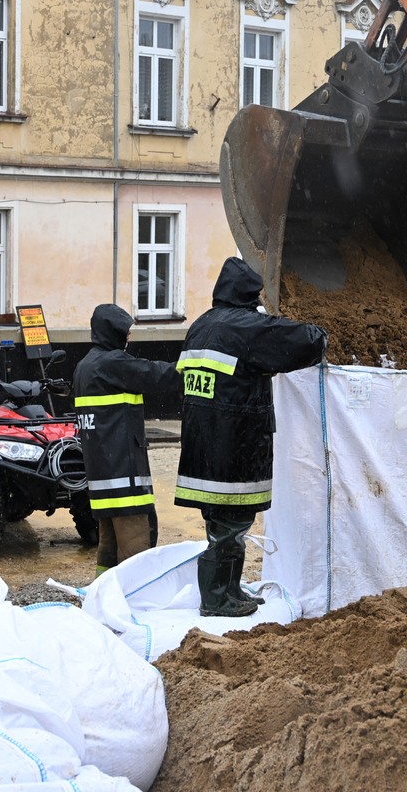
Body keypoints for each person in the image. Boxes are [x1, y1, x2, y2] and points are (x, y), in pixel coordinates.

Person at [175, 258, 326, 617]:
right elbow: (307, 341)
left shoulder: (201, 325)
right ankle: (216, 598)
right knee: (231, 523)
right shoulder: (245, 326)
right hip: (235, 443)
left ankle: (227, 589)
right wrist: (318, 328)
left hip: (202, 441)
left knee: (221, 522)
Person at [73, 304, 180, 574]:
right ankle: (133, 604)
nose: (128, 338)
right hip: (125, 476)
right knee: (136, 552)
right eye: (125, 332)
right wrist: (197, 364)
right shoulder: (113, 363)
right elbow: (158, 374)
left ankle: (103, 598)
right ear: (113, 333)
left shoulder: (84, 367)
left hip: (102, 478)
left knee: (108, 547)